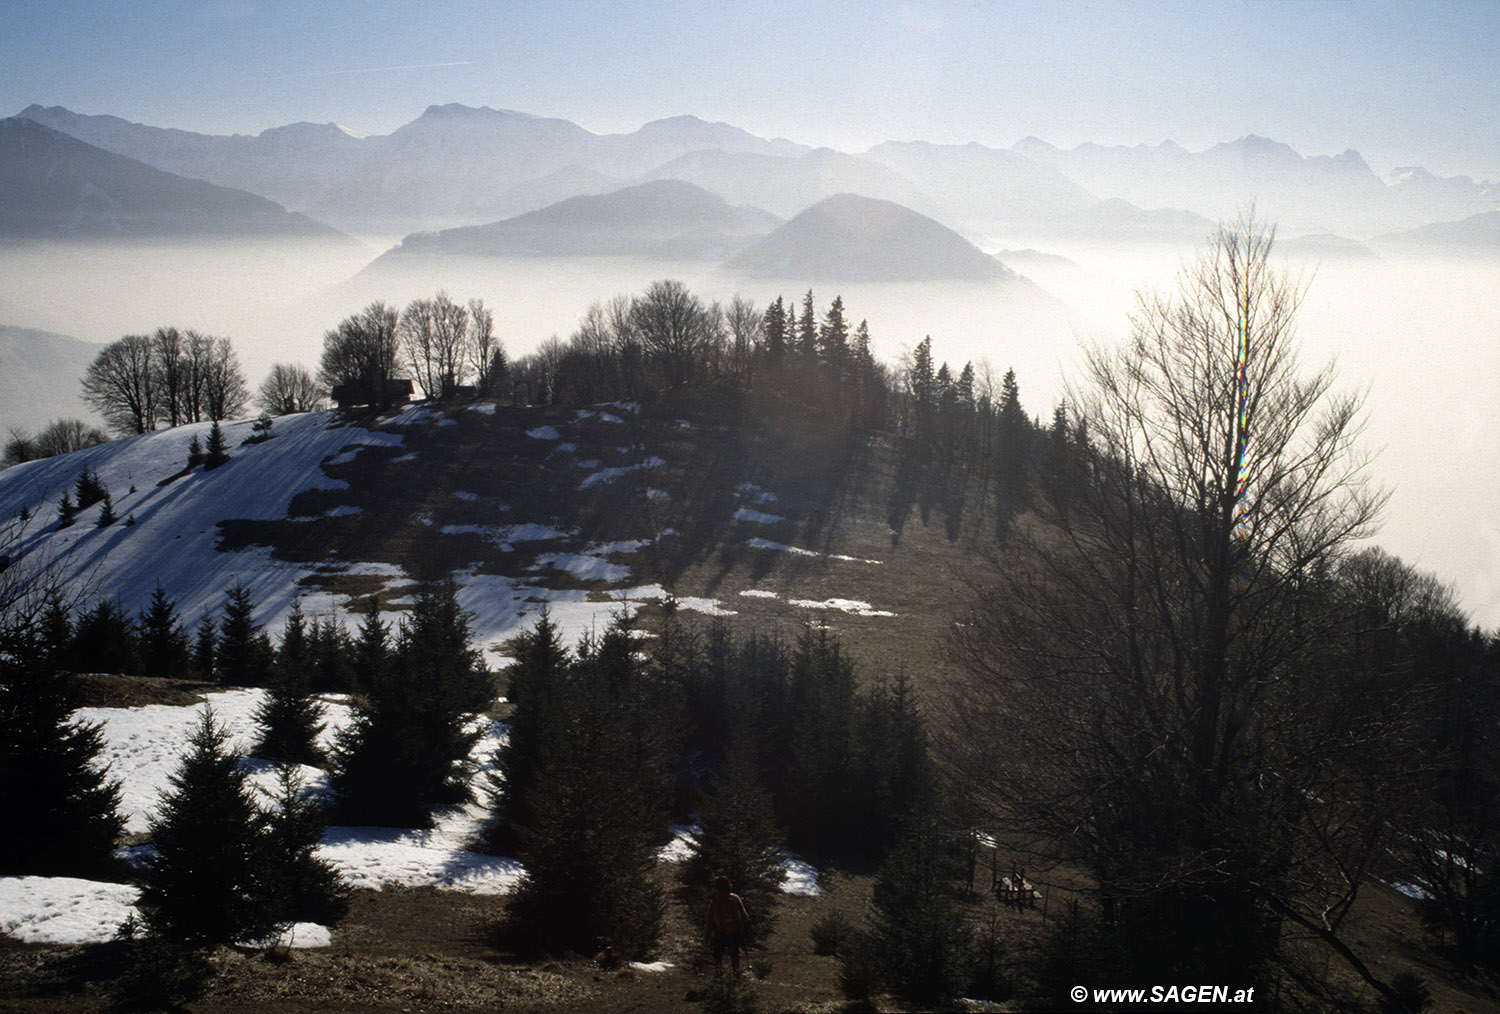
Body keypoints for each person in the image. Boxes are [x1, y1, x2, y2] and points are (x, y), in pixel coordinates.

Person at [703, 875, 751, 974]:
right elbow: (745, 916)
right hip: (734, 933)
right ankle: (736, 976)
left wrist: (706, 939)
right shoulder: (735, 898)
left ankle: (718, 977)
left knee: (718, 955)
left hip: (720, 933)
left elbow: (709, 921)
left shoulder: (715, 900)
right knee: (734, 955)